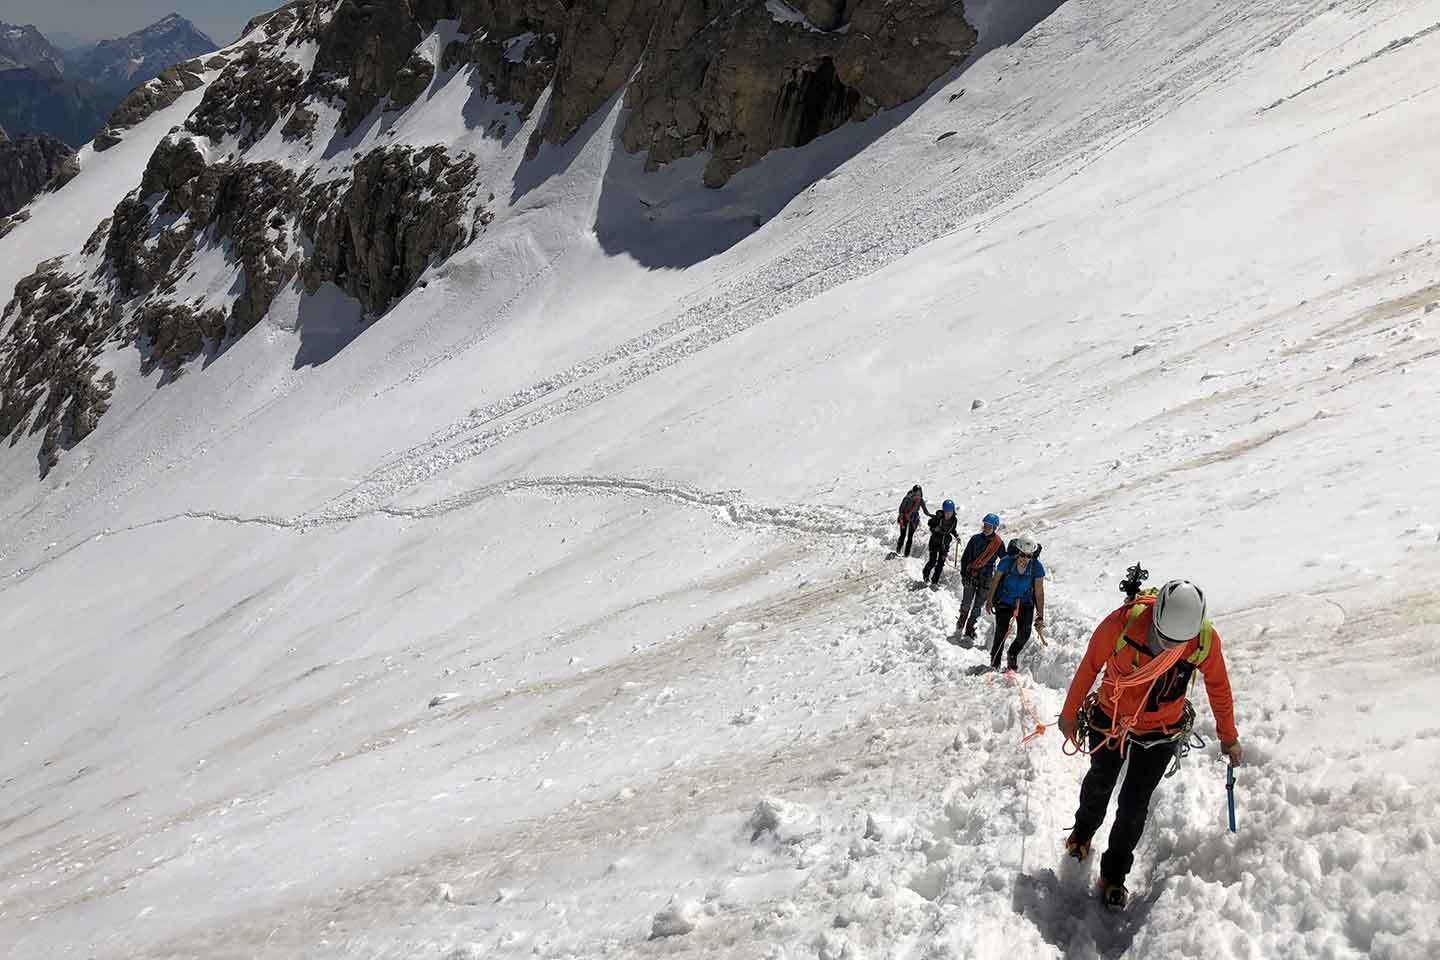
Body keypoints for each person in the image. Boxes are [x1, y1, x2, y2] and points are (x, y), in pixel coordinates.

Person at [1057, 580, 1242, 910]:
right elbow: (1090, 665)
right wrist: (1069, 713)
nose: (1167, 646)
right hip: (1110, 717)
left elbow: (1219, 686)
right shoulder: (1122, 623)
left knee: (1134, 804)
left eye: (1175, 641)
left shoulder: (1202, 640)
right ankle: (1082, 834)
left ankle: (1114, 875)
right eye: (1163, 637)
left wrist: (1229, 736)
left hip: (1160, 730)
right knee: (1100, 781)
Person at [985, 535, 1045, 670]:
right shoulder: (1006, 562)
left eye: (1029, 556)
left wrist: (1040, 616)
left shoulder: (1037, 567)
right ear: (1018, 552)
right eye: (1023, 555)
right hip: (1005, 600)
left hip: (1025, 602)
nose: (1025, 559)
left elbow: (1039, 592)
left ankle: (1012, 654)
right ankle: (995, 662)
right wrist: (989, 600)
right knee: (1001, 631)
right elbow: (995, 581)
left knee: (1025, 633)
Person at [956, 513, 1004, 639]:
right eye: (985, 525)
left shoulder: (998, 543)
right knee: (966, 601)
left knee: (978, 605)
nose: (986, 527)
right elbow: (965, 558)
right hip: (971, 574)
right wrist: (963, 574)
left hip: (986, 578)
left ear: (994, 527)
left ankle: (970, 626)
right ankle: (962, 620)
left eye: (989, 526)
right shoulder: (975, 539)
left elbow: (1004, 559)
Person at [921, 500, 961, 586]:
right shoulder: (938, 517)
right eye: (946, 512)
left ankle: (935, 581)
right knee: (932, 561)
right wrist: (934, 528)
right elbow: (930, 523)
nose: (948, 515)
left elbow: (952, 529)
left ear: (953, 511)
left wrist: (956, 536)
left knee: (940, 563)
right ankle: (926, 574)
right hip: (935, 541)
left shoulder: (954, 520)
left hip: (945, 543)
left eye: (950, 513)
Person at [895, 485, 931, 557]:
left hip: (913, 519)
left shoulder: (920, 500)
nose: (917, 496)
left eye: (919, 494)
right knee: (903, 535)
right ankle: (898, 549)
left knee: (910, 537)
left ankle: (906, 554)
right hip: (904, 517)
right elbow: (901, 509)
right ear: (913, 493)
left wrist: (932, 516)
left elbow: (925, 511)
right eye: (916, 494)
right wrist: (901, 518)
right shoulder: (907, 499)